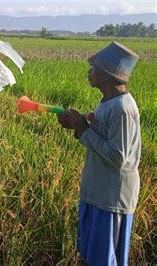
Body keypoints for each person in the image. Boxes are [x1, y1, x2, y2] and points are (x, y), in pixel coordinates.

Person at [57, 42, 141, 265]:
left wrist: (84, 129)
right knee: (92, 257)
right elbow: (102, 141)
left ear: (106, 75)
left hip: (111, 197)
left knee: (103, 260)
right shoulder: (108, 103)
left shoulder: (122, 108)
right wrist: (79, 127)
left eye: (93, 68)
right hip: (98, 192)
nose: (89, 72)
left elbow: (117, 156)